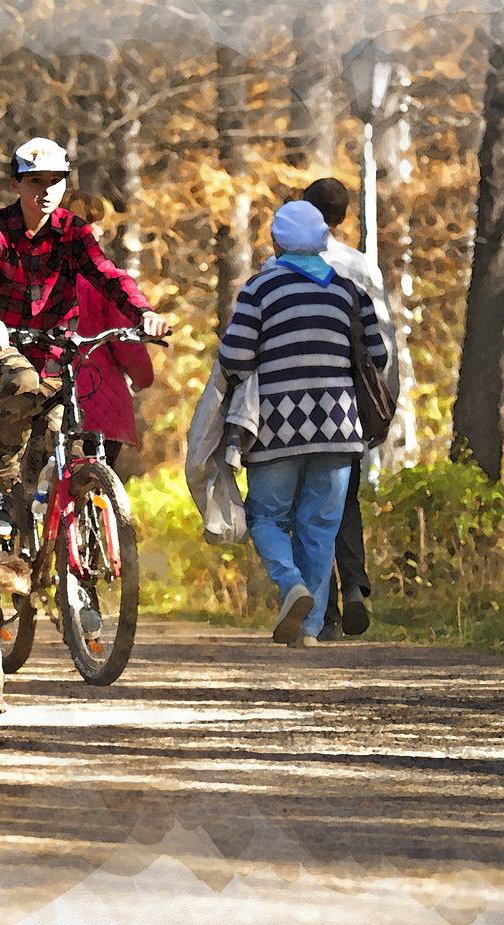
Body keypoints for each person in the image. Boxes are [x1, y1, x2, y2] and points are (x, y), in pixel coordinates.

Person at [0, 136, 170, 536]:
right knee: (23, 382)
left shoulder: (73, 231)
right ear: (15, 184)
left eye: (55, 181)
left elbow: (106, 274)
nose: (46, 191)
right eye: (35, 181)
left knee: (59, 430)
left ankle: (51, 536)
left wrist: (144, 313)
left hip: (52, 349)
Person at [219, 201, 387, 648]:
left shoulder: (260, 289)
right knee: (320, 529)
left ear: (277, 242)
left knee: (266, 517)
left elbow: (235, 358)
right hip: (340, 428)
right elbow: (377, 356)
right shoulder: (350, 292)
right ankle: (310, 631)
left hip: (276, 427)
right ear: (323, 240)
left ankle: (291, 584)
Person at [299, 177, 402, 641]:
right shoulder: (361, 267)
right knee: (344, 500)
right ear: (342, 218)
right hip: (348, 404)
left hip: (291, 405)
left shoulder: (278, 266)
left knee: (306, 505)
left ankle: (322, 612)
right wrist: (385, 405)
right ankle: (355, 586)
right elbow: (383, 343)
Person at [60, 189, 156, 470]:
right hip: (99, 402)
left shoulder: (33, 271)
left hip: (43, 397)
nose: (100, 231)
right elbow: (125, 341)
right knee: (95, 481)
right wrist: (142, 377)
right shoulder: (99, 278)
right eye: (94, 224)